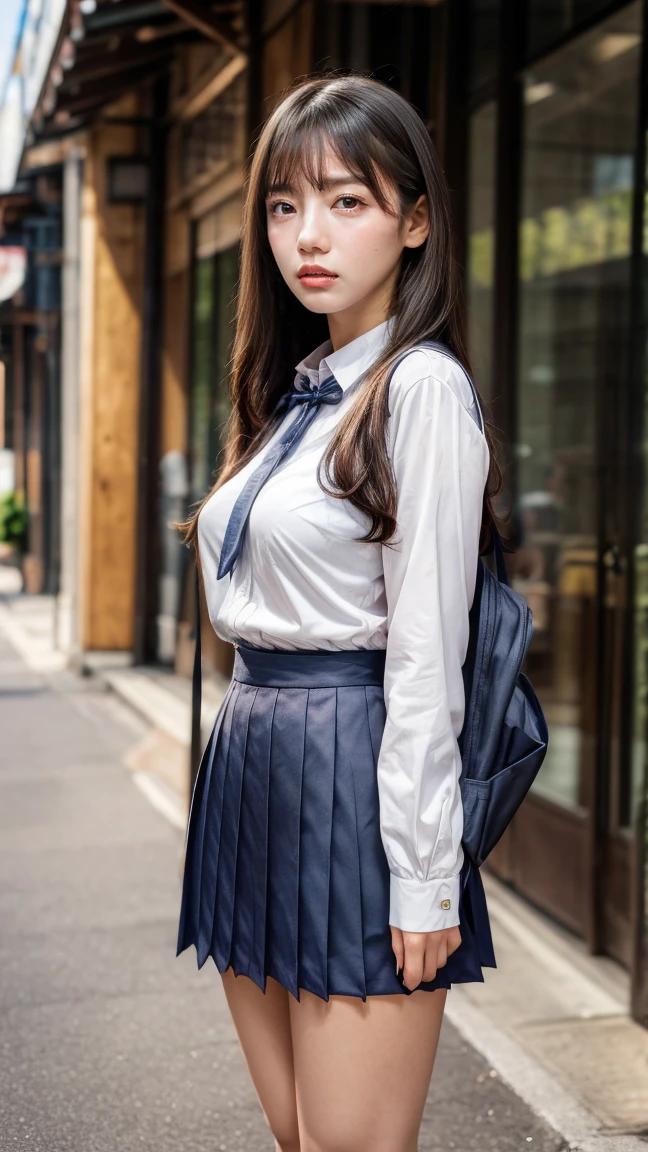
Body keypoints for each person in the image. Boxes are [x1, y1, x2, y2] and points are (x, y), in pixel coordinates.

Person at [177, 71, 503, 1152]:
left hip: (352, 783)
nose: (306, 234)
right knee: (300, 1139)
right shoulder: (296, 392)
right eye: (283, 204)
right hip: (255, 780)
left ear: (416, 222)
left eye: (346, 201)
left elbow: (424, 659)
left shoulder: (421, 392)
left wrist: (422, 878)